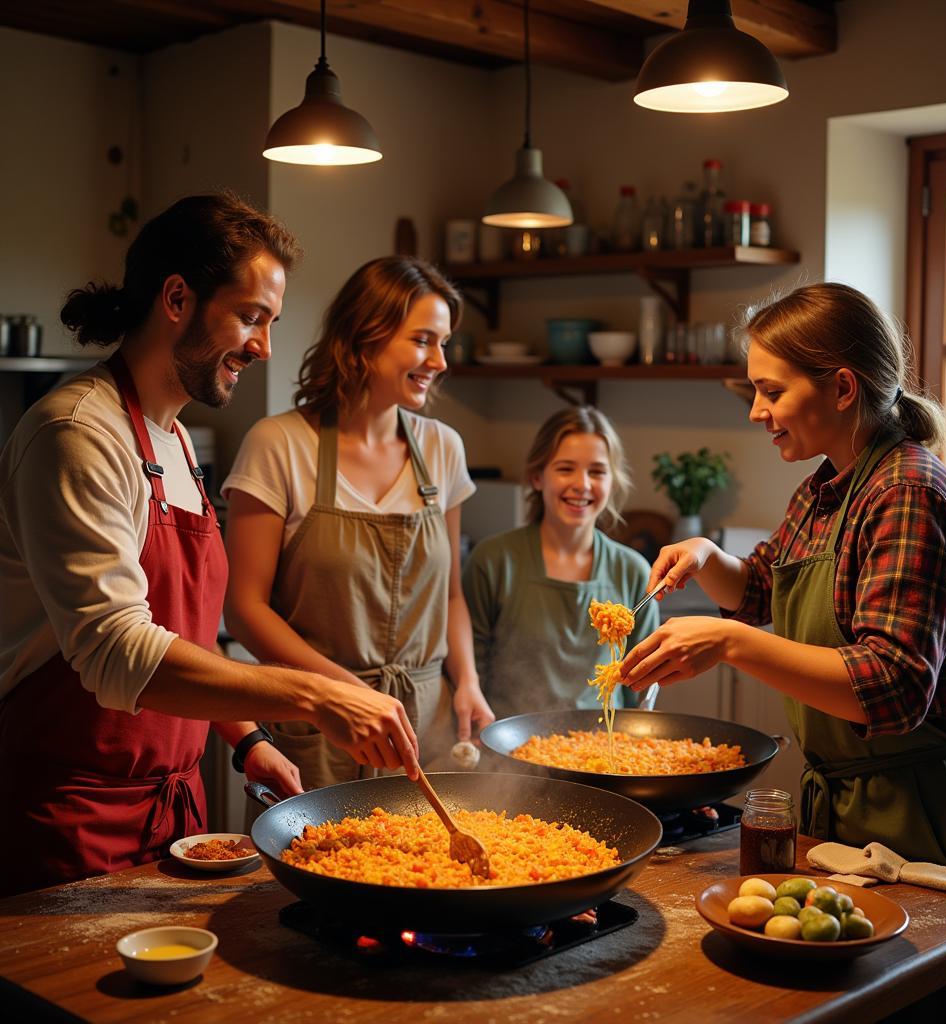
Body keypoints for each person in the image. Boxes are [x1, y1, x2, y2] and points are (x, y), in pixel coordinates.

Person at [620, 283, 946, 1020]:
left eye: (770, 390)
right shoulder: (826, 489)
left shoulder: (910, 493)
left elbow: (892, 685)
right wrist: (708, 556)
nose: (755, 410)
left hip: (922, 815)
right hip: (847, 808)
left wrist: (733, 643)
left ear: (842, 387)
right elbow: (762, 588)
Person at [0, 193, 419, 898]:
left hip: (170, 810)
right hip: (69, 816)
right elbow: (115, 649)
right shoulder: (76, 434)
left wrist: (247, 737)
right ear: (175, 298)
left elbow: (184, 634)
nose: (264, 347)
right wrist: (317, 696)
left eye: (271, 323)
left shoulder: (177, 444)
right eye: (251, 317)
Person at [222, 256, 493, 794]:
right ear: (366, 336)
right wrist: (346, 693)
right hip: (318, 726)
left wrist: (468, 682)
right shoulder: (279, 445)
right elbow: (244, 608)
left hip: (426, 727)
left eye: (444, 343)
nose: (439, 361)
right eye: (423, 341)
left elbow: (452, 596)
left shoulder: (442, 449)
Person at [463, 405, 659, 722]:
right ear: (537, 477)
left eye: (597, 471)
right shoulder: (494, 561)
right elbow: (470, 668)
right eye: (566, 469)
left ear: (612, 482)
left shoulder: (633, 571)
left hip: (603, 750)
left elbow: (643, 686)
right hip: (507, 749)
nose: (582, 484)